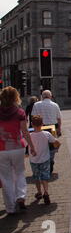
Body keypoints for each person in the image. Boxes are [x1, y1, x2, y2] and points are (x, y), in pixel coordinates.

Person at [0, 87, 36, 215]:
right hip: (17, 147)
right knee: (19, 173)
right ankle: (20, 197)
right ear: (16, 97)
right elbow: (25, 132)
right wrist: (32, 146)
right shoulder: (19, 112)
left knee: (6, 178)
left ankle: (10, 208)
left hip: (2, 149)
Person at [29, 115, 61, 205]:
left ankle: (39, 192)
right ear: (42, 124)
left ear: (32, 124)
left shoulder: (30, 135)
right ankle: (46, 192)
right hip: (45, 159)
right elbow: (56, 142)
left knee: (36, 177)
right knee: (45, 177)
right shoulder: (47, 134)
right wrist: (56, 147)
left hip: (34, 160)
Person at [32, 90, 62, 174]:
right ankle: (51, 160)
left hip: (40, 127)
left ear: (42, 96)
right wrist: (59, 128)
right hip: (52, 127)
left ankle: (41, 164)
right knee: (52, 146)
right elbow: (59, 118)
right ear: (50, 96)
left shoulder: (36, 104)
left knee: (40, 146)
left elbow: (33, 117)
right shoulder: (55, 105)